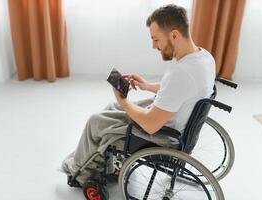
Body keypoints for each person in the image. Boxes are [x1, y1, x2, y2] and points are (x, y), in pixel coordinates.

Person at [61, 4, 216, 187]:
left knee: (95, 121)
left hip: (163, 137)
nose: (154, 46)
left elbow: (151, 125)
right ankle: (99, 159)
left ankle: (80, 172)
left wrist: (124, 101)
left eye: (156, 39)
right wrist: (147, 86)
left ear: (174, 35)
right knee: (112, 108)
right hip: (173, 121)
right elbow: (181, 91)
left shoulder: (182, 73)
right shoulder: (203, 57)